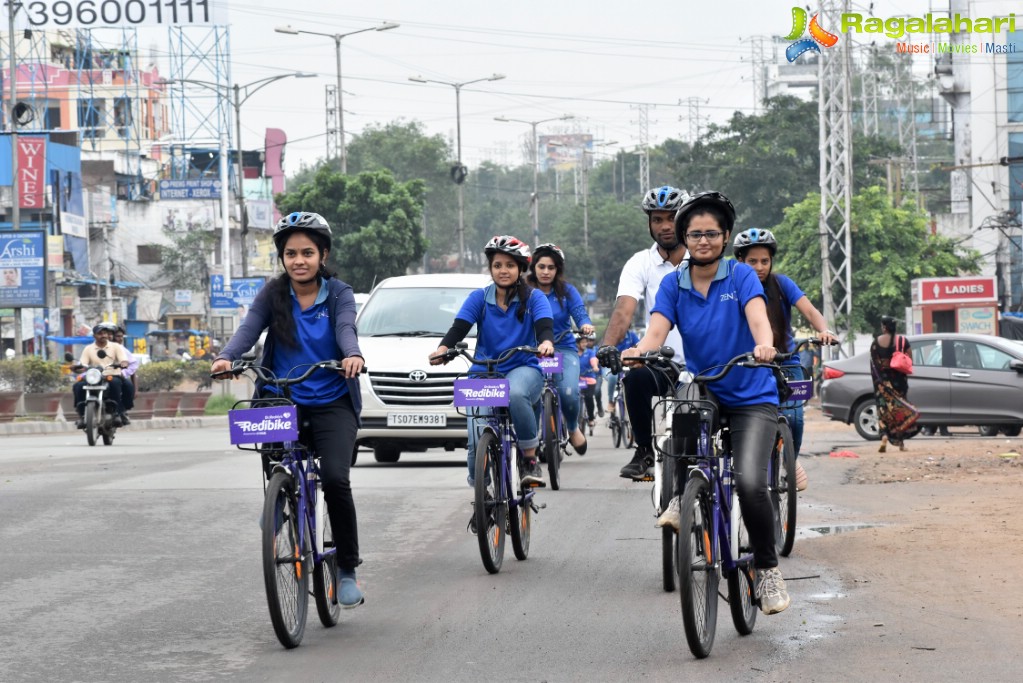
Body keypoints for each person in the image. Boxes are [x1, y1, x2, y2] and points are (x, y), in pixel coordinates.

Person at [619, 191, 790, 615]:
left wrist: (765, 346)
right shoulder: (674, 283)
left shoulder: (741, 276)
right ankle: (680, 496)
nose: (703, 240)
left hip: (752, 393)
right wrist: (638, 350)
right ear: (684, 237)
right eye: (694, 233)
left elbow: (758, 320)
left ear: (726, 236)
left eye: (711, 233)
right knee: (686, 405)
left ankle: (768, 570)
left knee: (751, 482)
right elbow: (656, 332)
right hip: (709, 384)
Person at [210, 211, 367, 608]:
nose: (299, 260)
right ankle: (279, 498)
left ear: (323, 255)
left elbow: (346, 327)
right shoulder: (272, 295)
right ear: (282, 258)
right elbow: (249, 329)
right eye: (291, 253)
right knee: (275, 454)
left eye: (308, 253)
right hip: (282, 398)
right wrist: (227, 357)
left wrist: (352, 354)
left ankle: (346, 569)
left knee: (335, 480)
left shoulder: (340, 293)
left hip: (333, 401)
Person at [429, 235, 554, 495]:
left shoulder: (534, 298)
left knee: (516, 393)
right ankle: (481, 494)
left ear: (521, 268)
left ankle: (529, 459)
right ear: (491, 268)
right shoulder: (479, 298)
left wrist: (545, 343)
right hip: (484, 372)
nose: (503, 270)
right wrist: (443, 350)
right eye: (497, 265)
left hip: (523, 367)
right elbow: (458, 328)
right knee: (476, 438)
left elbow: (544, 327)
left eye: (509, 265)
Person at [732, 228, 837, 491]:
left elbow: (810, 311)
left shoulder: (782, 284)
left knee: (795, 419)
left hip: (786, 361)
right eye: (752, 261)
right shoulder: (731, 287)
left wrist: (823, 330)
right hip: (750, 362)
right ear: (740, 262)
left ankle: (789, 461)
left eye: (764, 261)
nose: (759, 267)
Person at [596, 185, 689, 480]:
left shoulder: (703, 259)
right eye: (657, 219)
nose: (664, 226)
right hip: (660, 361)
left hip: (704, 363)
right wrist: (608, 346)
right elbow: (624, 310)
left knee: (693, 443)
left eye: (671, 218)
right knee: (634, 379)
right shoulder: (640, 262)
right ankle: (644, 450)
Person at [526, 243, 594, 454]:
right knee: (529, 397)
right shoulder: (523, 290)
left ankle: (572, 428)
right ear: (534, 267)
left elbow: (580, 313)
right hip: (532, 351)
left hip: (563, 349)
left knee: (569, 391)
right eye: (542, 266)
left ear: (558, 270)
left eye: (551, 267)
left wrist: (585, 324)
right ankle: (531, 439)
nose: (546, 272)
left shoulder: (567, 291)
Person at [869, 316, 918, 453]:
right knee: (899, 412)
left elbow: (874, 365)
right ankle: (901, 443)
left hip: (882, 384)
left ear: (884, 327)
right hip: (899, 382)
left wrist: (880, 382)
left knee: (883, 411)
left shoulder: (876, 343)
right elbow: (909, 360)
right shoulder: (903, 341)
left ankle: (884, 436)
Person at [72, 322, 129, 428]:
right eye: (100, 333)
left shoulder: (115, 347)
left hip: (111, 374)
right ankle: (81, 415)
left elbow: (123, 359)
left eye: (105, 333)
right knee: (78, 386)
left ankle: (116, 413)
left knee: (116, 383)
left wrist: (123, 363)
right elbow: (83, 363)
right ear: (94, 336)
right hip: (94, 376)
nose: (103, 335)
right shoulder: (88, 349)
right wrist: (78, 367)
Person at [604, 325, 639, 416]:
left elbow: (638, 347)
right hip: (613, 365)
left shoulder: (631, 336)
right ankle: (611, 401)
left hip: (628, 365)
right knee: (613, 377)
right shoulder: (612, 337)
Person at [111, 326, 139, 422]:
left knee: (126, 386)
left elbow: (133, 366)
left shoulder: (123, 350)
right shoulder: (97, 348)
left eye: (121, 336)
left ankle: (121, 411)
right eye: (118, 336)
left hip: (115, 377)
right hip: (99, 377)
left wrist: (135, 389)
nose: (120, 339)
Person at [577, 336, 600, 432]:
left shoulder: (590, 352)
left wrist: (595, 366)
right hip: (577, 380)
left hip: (589, 380)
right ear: (577, 343)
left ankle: (591, 418)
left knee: (589, 397)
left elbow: (593, 360)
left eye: (585, 342)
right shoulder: (573, 353)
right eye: (582, 342)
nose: (584, 344)